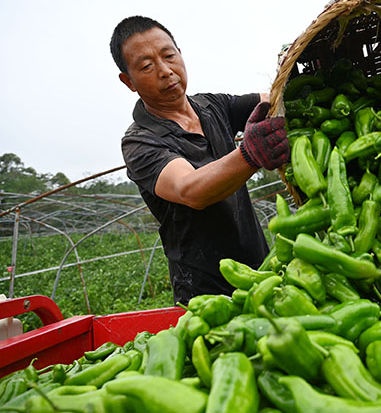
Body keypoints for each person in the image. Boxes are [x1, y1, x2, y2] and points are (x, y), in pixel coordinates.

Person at [111, 16, 289, 304]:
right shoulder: (140, 141)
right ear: (128, 81)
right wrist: (251, 154)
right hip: (204, 294)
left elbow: (275, 100)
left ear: (180, 54)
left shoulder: (211, 106)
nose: (166, 71)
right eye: (146, 66)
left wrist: (299, 76)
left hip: (260, 270)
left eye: (169, 56)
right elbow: (190, 189)